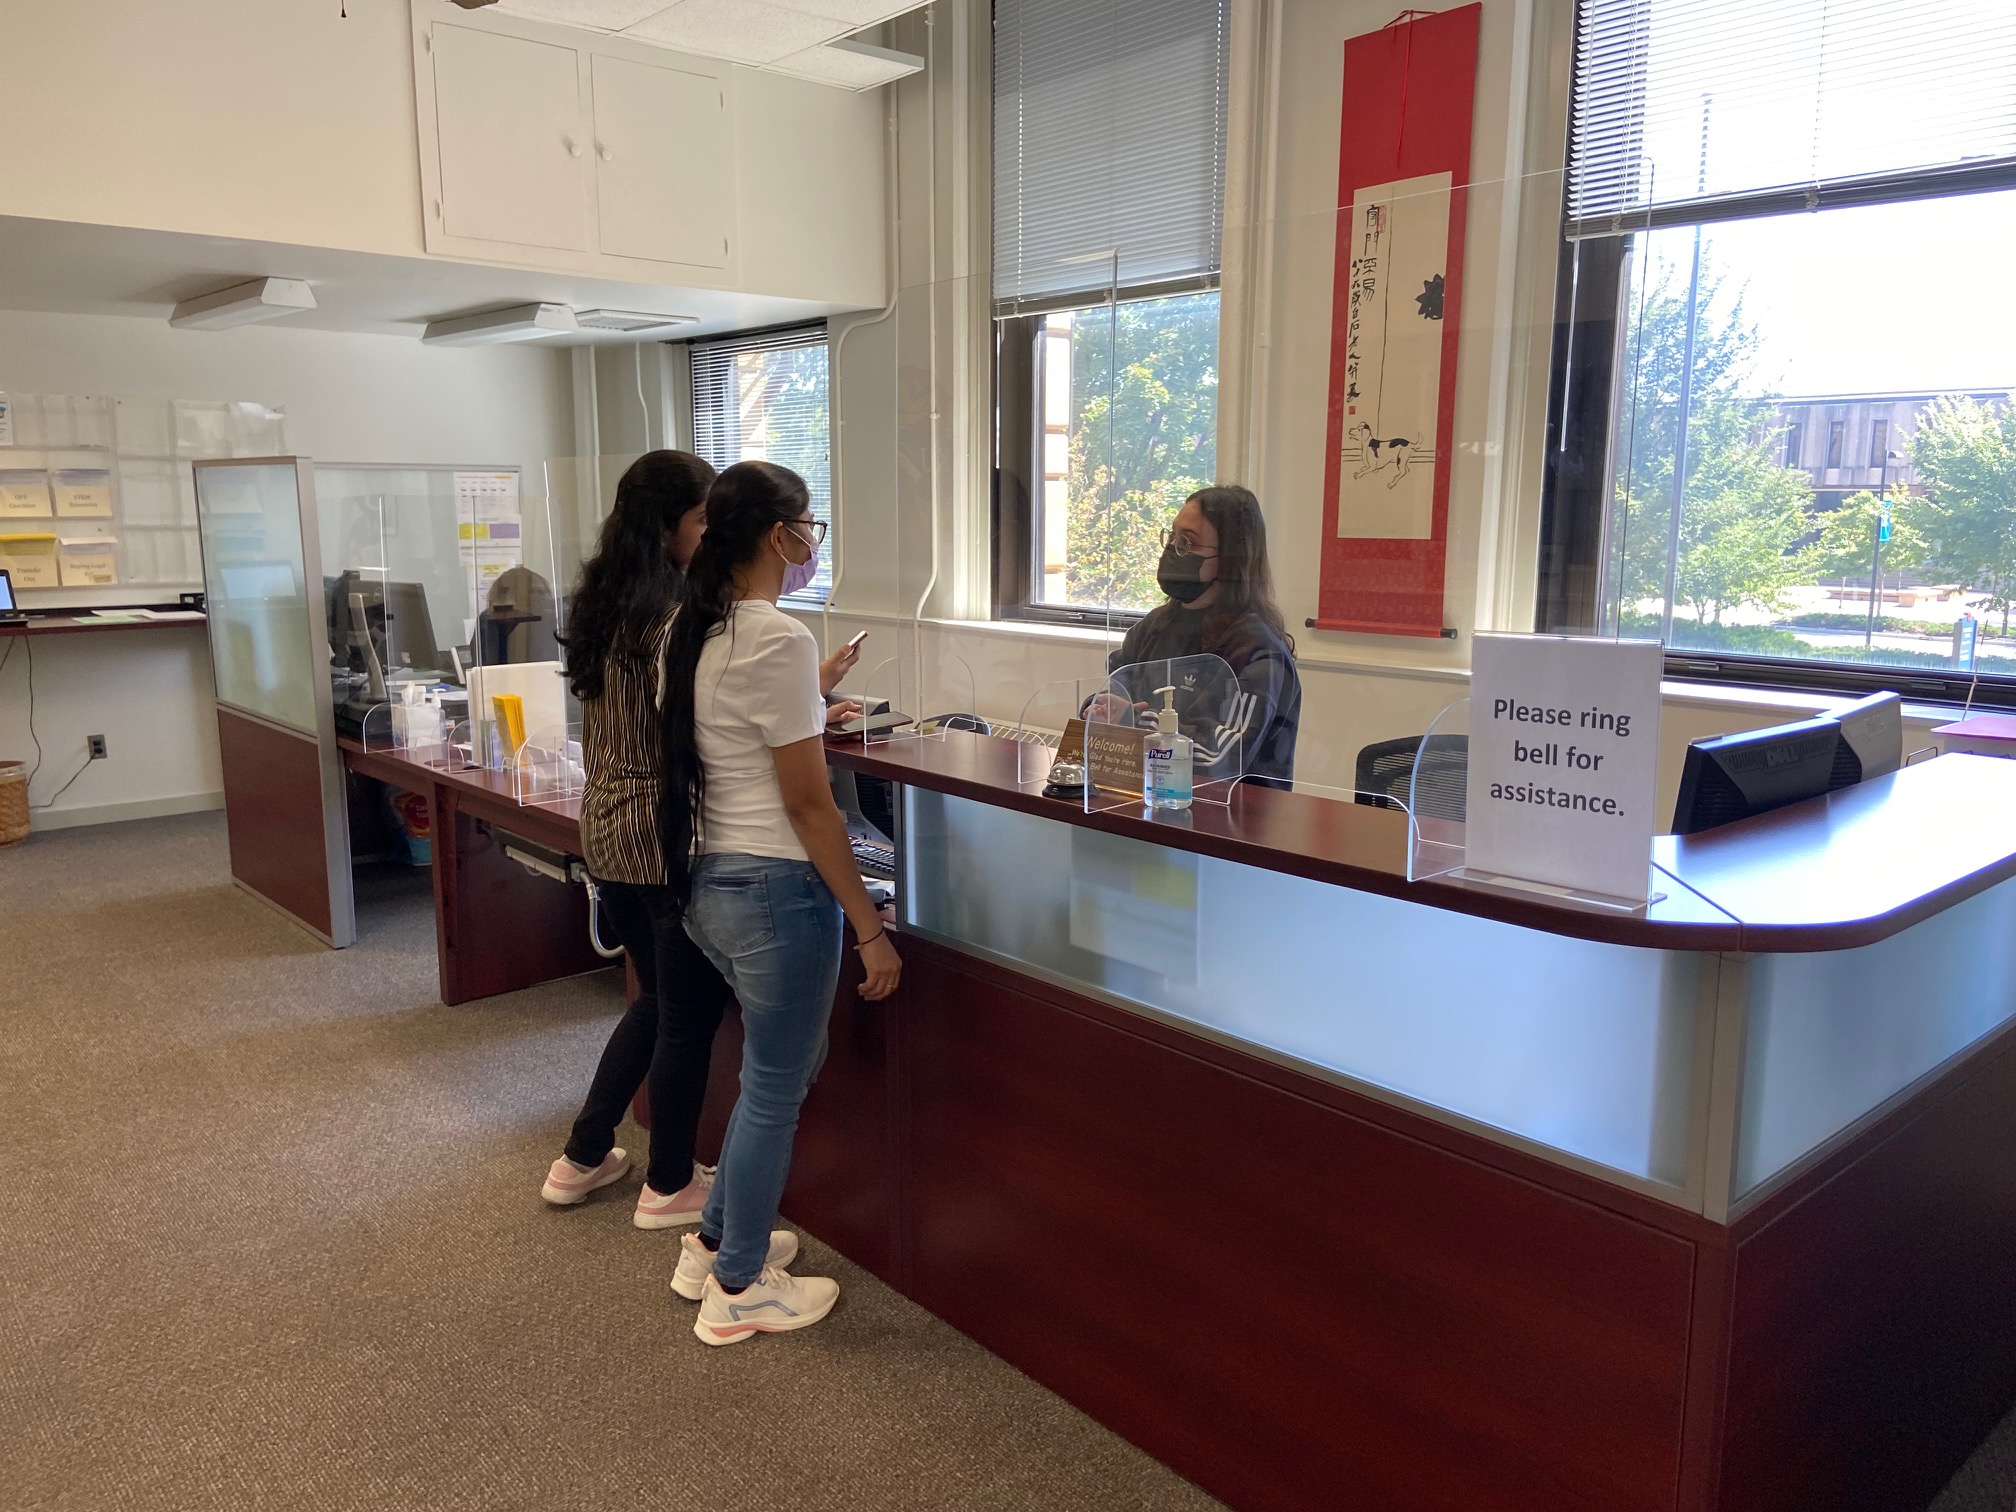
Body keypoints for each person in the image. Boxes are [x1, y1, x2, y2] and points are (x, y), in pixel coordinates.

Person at [538, 451, 862, 1227]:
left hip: (608, 823)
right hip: (664, 829)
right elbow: (700, 719)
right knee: (680, 1015)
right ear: (672, 528)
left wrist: (800, 692)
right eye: (700, 523)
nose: (710, 537)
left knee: (658, 1005)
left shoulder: (604, 600)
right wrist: (805, 698)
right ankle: (667, 1181)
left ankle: (584, 1153)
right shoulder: (673, 616)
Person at [657, 459, 902, 1345]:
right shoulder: (776, 635)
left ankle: (715, 1241)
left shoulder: (701, 629)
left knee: (775, 1075)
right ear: (778, 535)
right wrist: (870, 929)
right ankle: (738, 1289)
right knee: (774, 1087)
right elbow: (811, 808)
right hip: (774, 892)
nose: (811, 542)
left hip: (709, 887)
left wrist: (815, 685)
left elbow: (738, 738)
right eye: (810, 526)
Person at [1096, 484, 1302, 789]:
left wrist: (1134, 721)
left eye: (1187, 543)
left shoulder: (1256, 648)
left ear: (1231, 558)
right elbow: (1118, 693)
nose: (1172, 550)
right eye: (1172, 537)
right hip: (1144, 802)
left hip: (1232, 820)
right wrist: (1099, 711)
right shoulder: (1154, 626)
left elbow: (1219, 758)